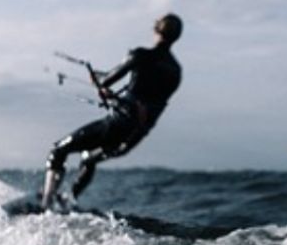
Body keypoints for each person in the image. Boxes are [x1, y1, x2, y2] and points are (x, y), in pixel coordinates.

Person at [41, 13, 183, 210]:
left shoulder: (140, 55)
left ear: (156, 30)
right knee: (88, 159)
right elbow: (150, 102)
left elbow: (106, 81)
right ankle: (67, 201)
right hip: (135, 136)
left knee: (58, 151)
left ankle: (45, 206)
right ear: (177, 37)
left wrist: (98, 78)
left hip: (117, 124)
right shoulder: (176, 71)